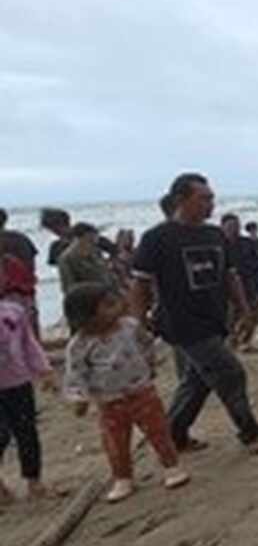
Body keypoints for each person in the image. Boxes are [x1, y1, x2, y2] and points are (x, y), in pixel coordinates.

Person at [130, 173, 258, 455]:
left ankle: (173, 435)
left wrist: (245, 310)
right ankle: (250, 432)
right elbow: (140, 282)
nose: (211, 204)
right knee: (230, 372)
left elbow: (230, 276)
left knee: (197, 382)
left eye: (212, 198)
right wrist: (139, 322)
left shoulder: (214, 234)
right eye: (204, 198)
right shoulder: (157, 238)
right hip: (181, 323)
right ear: (181, 200)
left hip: (215, 319)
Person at [62, 283, 190, 503]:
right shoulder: (79, 345)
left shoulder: (129, 327)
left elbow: (147, 342)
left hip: (141, 391)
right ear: (87, 315)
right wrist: (78, 398)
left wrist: (150, 363)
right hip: (108, 401)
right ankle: (122, 477)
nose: (118, 307)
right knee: (115, 441)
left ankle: (172, 466)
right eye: (108, 305)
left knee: (158, 431)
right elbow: (76, 374)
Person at [0, 276, 55, 502]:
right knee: (1, 434)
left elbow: (28, 343)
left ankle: (34, 481)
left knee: (27, 432)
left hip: (18, 382)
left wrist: (44, 370)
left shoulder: (13, 311)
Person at [221, 214, 258, 351]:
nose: (234, 229)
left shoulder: (247, 243)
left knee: (253, 313)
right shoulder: (219, 244)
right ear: (223, 226)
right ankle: (232, 340)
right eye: (230, 226)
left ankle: (247, 341)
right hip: (228, 285)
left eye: (236, 225)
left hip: (250, 281)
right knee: (231, 315)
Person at [0, 209, 40, 338]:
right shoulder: (21, 238)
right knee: (30, 329)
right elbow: (32, 265)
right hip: (26, 291)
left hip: (5, 294)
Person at [58, 223, 117, 295]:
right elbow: (68, 287)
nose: (92, 244)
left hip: (107, 295)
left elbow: (106, 273)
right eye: (90, 240)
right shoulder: (66, 259)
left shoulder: (95, 252)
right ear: (79, 239)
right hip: (86, 298)